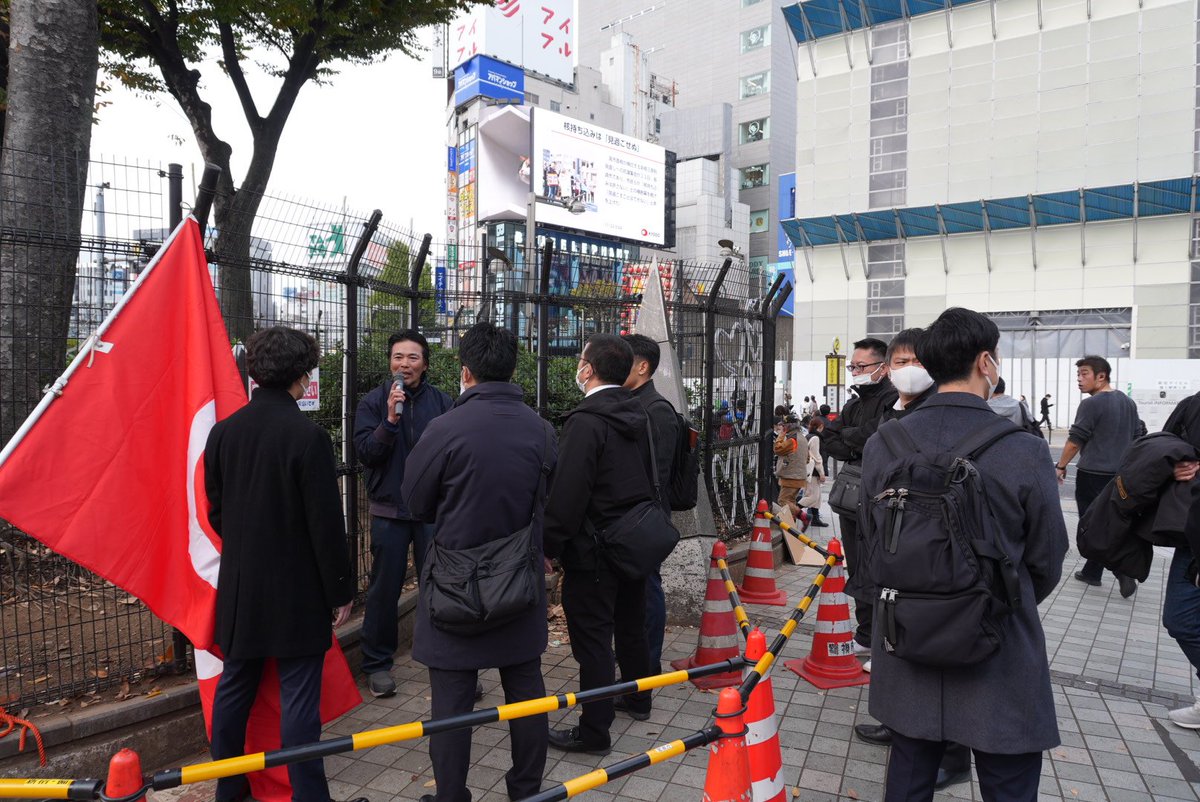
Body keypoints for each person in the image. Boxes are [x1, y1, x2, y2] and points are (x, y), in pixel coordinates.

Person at [860, 308, 1067, 801]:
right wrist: (991, 595)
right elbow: (1046, 556)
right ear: (985, 361)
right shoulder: (1022, 448)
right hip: (997, 639)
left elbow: (871, 536)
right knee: (1008, 776)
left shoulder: (884, 442)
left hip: (906, 632)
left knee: (908, 770)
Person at [204, 327, 363, 802]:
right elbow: (325, 524)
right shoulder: (308, 437)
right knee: (298, 696)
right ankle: (309, 795)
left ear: (253, 370)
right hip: (297, 588)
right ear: (304, 374)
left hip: (241, 584)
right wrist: (340, 589)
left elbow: (215, 508)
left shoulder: (223, 432)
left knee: (235, 687)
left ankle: (229, 790)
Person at [401, 322, 557, 802]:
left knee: (451, 702)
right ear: (513, 368)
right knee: (526, 691)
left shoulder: (443, 428)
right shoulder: (542, 429)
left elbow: (415, 502)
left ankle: (450, 794)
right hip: (518, 579)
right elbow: (549, 504)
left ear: (465, 371)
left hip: (453, 583)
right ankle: (526, 789)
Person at [851, 328, 970, 792]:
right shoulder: (889, 407)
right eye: (898, 360)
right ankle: (898, 723)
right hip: (888, 553)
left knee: (941, 659)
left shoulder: (937, 413)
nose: (905, 369)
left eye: (911, 360)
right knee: (893, 646)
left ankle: (956, 754)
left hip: (935, 561)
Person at [544, 334, 656, 754]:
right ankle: (638, 697)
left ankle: (595, 731)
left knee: (592, 641)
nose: (578, 365)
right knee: (630, 624)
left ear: (588, 369)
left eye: (580, 359)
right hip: (633, 542)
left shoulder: (586, 421)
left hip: (594, 551)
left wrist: (548, 547)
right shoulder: (636, 413)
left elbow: (568, 495)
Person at [354, 330, 452, 697]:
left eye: (412, 358)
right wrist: (389, 422)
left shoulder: (442, 402)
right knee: (384, 590)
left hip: (431, 513)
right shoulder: (374, 402)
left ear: (425, 363)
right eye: (398, 357)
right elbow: (366, 452)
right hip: (389, 512)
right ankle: (377, 664)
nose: (404, 364)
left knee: (439, 586)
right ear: (389, 361)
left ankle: (445, 661)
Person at [820, 337, 898, 653]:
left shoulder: (892, 399)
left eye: (860, 366)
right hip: (852, 496)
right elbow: (828, 439)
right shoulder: (854, 401)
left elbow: (879, 439)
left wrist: (851, 439)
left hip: (882, 495)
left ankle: (882, 634)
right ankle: (865, 633)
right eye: (853, 366)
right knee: (857, 564)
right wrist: (856, 441)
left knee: (879, 564)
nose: (854, 371)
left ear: (882, 366)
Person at [621, 333, 681, 674]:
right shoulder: (634, 403)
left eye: (622, 360)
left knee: (647, 591)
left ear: (643, 367)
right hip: (633, 518)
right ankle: (635, 658)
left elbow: (655, 474)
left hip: (643, 519)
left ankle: (646, 667)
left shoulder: (656, 410)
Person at [1058, 356, 1142, 598]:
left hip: (1092, 475)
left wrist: (1061, 466)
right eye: (1078, 375)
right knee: (1109, 523)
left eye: (1084, 374)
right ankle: (1092, 572)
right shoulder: (1128, 403)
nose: (1079, 380)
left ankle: (1120, 571)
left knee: (1091, 527)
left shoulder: (1091, 404)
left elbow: (1075, 441)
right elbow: (1138, 436)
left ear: (1101, 376)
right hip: (1120, 475)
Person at [1158, 395, 1200, 728]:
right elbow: (1162, 448)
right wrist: (1171, 466)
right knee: (1181, 620)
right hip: (1193, 534)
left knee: (1182, 618)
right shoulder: (1193, 405)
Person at [773, 415, 808, 517]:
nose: (782, 428)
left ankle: (803, 516)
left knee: (783, 500)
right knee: (791, 501)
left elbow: (777, 449)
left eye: (784, 426)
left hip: (791, 476)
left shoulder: (792, 440)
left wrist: (781, 435)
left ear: (788, 426)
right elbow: (808, 458)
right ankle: (791, 528)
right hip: (799, 476)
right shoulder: (802, 437)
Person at [799, 416, 828, 527]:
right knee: (812, 497)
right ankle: (794, 510)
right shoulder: (816, 438)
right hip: (813, 471)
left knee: (816, 496)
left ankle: (815, 519)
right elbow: (817, 457)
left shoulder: (808, 436)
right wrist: (822, 473)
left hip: (809, 470)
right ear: (820, 426)